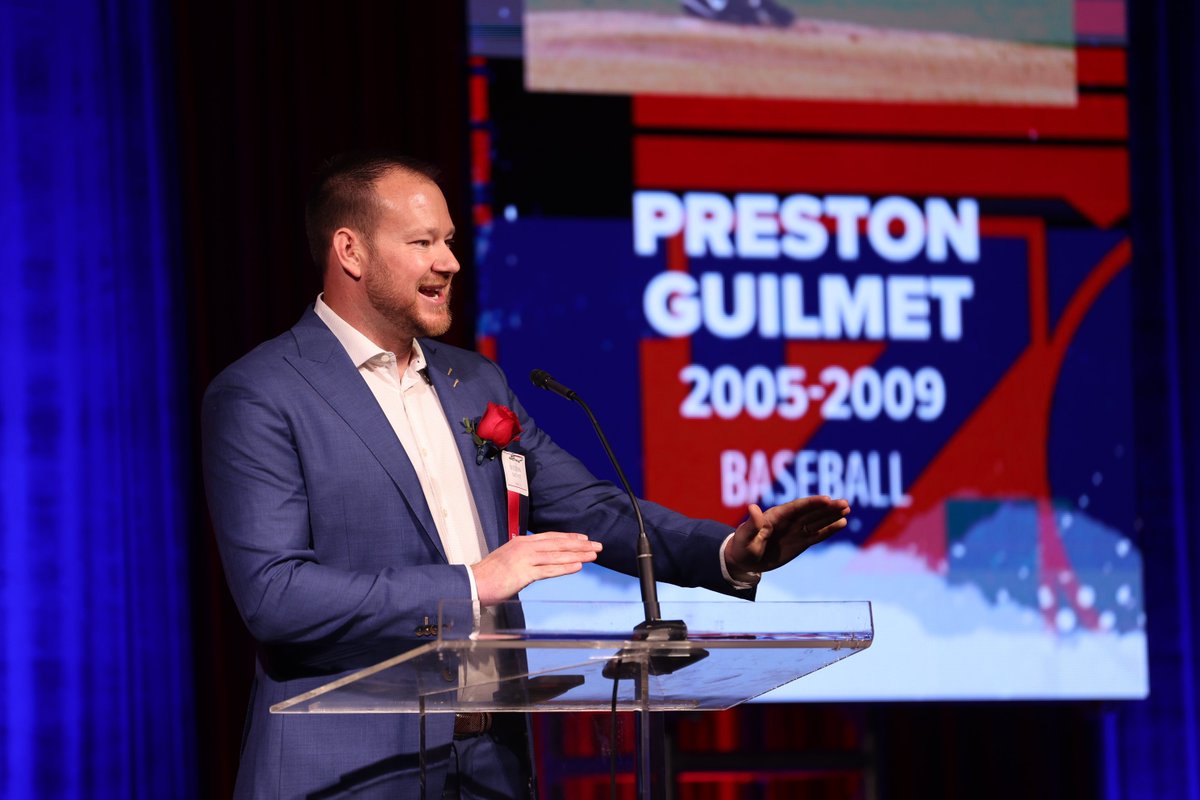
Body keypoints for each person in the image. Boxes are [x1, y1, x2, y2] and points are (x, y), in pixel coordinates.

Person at [201, 151, 850, 799]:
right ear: (351, 251)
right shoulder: (264, 393)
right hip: (348, 773)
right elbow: (276, 597)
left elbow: (592, 508)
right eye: (422, 242)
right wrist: (472, 582)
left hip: (489, 767)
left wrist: (732, 551)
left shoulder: (475, 382)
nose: (449, 261)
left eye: (449, 241)